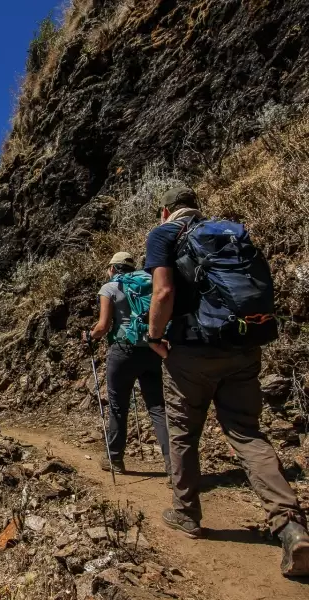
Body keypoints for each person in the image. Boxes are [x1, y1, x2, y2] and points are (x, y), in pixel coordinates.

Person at [145, 186, 309, 577]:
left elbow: (163, 291)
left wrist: (154, 337)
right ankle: (290, 525)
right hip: (242, 347)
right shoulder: (229, 232)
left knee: (184, 431)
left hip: (190, 353)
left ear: (166, 210)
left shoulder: (164, 234)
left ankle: (186, 513)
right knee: (248, 433)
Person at [83, 251, 171, 481]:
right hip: (152, 349)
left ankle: (115, 459)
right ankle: (175, 466)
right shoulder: (151, 282)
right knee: (157, 407)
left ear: (112, 268)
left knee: (118, 406)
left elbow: (103, 326)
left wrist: (90, 336)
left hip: (122, 350)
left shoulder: (109, 287)